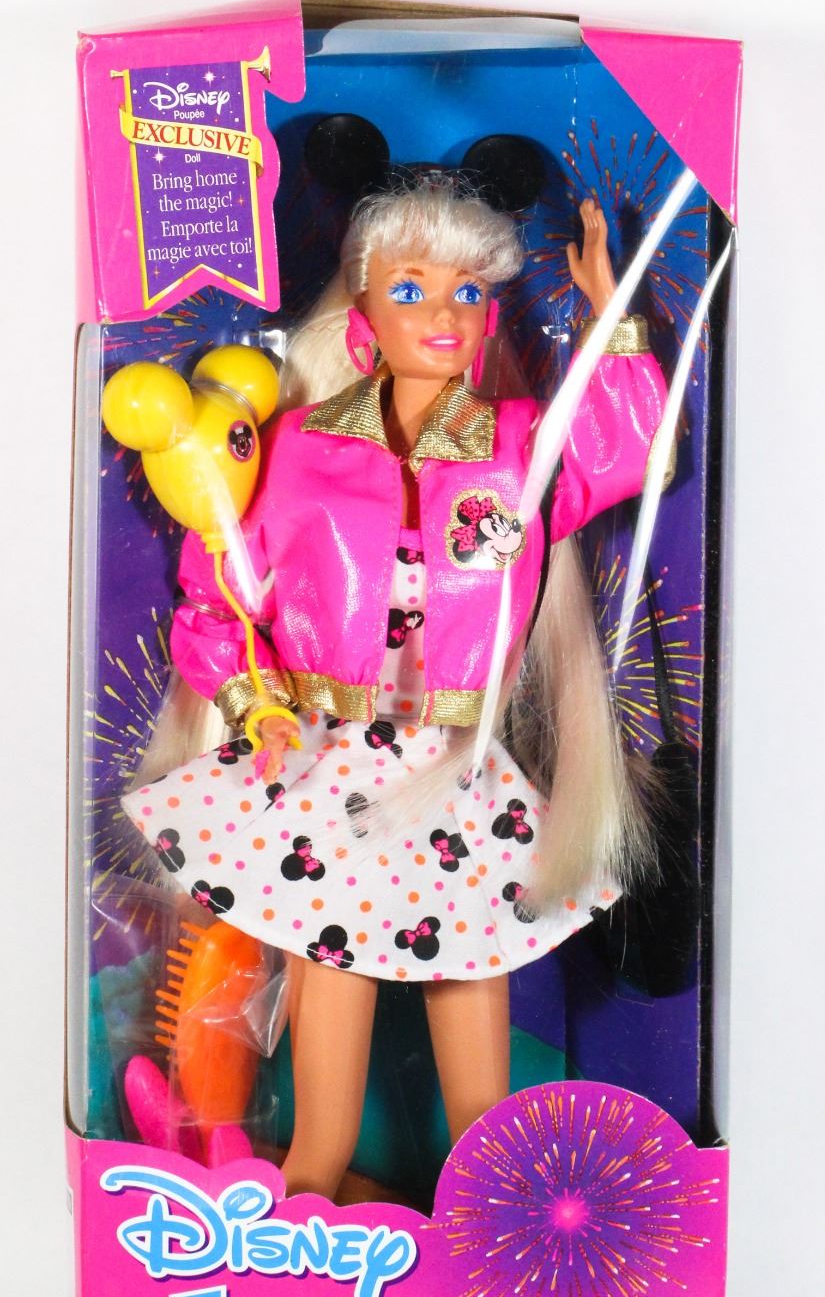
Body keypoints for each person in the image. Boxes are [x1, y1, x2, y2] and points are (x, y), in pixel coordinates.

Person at [119, 174, 669, 1197]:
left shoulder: (516, 447)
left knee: (476, 1027)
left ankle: (488, 1202)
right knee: (329, 1034)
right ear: (363, 317)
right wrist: (254, 703)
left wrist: (613, 314)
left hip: (455, 770)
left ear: (491, 314)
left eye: (467, 291)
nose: (442, 313)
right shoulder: (300, 449)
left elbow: (627, 448)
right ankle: (310, 1193)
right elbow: (220, 592)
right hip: (330, 767)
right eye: (411, 289)